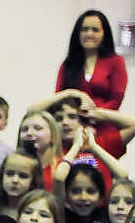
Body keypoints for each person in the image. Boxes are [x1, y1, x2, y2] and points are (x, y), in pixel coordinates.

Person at [53, 10, 127, 153]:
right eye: (85, 29)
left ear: (104, 33)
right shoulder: (68, 64)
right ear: (78, 33)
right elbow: (58, 96)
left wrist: (93, 114)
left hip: (104, 128)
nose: (89, 34)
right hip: (71, 129)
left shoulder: (116, 62)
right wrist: (77, 116)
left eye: (95, 30)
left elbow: (116, 100)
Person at [0, 151, 42, 220]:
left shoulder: (37, 217)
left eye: (23, 176)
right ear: (1, 176)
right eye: (9, 174)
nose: (15, 180)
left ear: (33, 182)